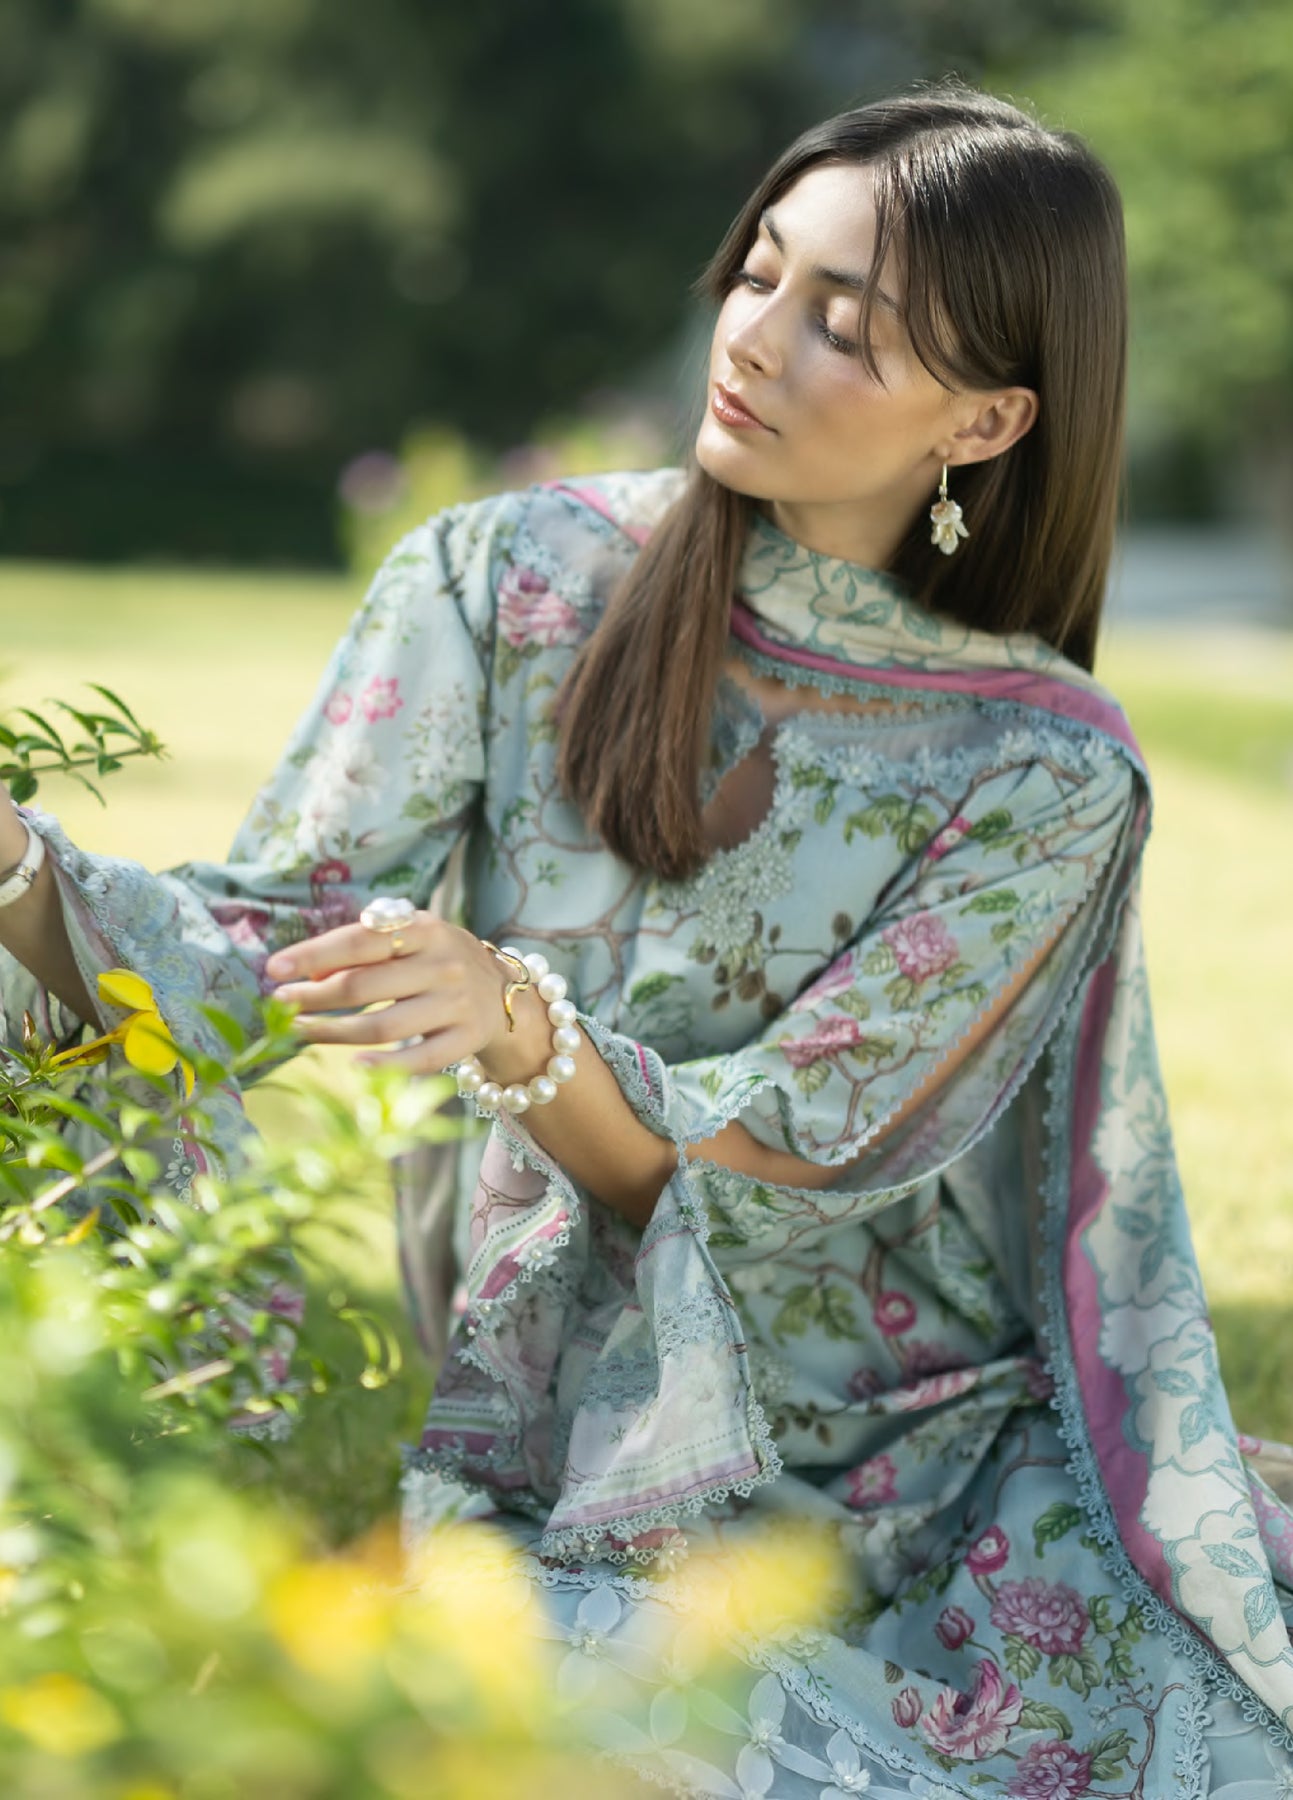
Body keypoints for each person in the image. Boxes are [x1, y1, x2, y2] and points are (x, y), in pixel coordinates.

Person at [1, 84, 1290, 1797]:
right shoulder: (500, 578)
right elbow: (270, 946)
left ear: (984, 422)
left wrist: (517, 1026)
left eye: (844, 327)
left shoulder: (1044, 770)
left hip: (910, 1443)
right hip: (575, 1422)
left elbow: (776, 1157)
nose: (752, 338)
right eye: (759, 274)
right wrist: (19, 874)